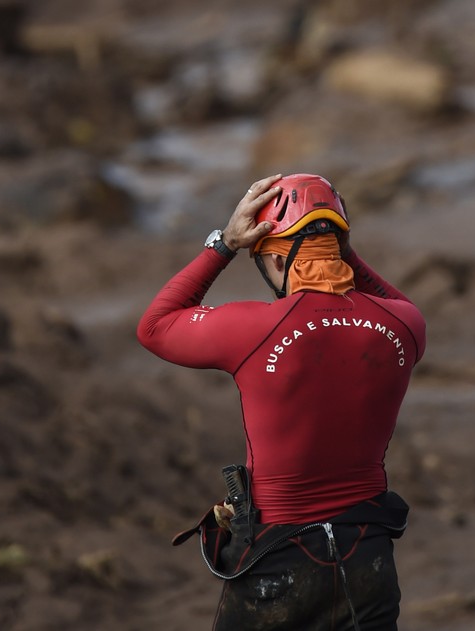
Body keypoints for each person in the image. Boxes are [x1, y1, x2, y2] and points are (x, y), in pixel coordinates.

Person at [136, 173, 426, 630]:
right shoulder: (405, 326)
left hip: (279, 562)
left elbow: (154, 326)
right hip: (368, 560)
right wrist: (339, 247)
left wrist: (224, 244)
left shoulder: (254, 329)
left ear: (274, 256)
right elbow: (393, 302)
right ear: (339, 245)